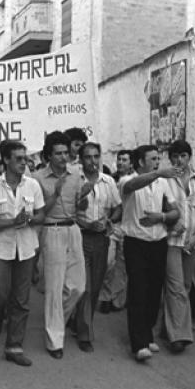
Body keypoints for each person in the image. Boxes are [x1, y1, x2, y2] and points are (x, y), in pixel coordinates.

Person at [0, 141, 45, 366]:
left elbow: (40, 215)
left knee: (21, 300)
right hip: (1, 249)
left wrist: (28, 219)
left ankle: (14, 346)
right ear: (6, 160)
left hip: (26, 248)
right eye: (18, 158)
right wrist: (12, 221)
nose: (23, 163)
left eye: (25, 158)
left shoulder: (33, 186)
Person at [33, 131, 92, 359]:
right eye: (58, 153)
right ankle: (54, 340)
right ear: (49, 155)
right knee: (55, 290)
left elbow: (80, 207)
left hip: (73, 229)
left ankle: (58, 322)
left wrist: (84, 200)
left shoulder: (76, 175)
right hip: (52, 229)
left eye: (66, 152)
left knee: (78, 287)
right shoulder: (37, 178)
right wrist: (54, 195)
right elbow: (35, 214)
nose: (63, 157)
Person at [121, 145, 179, 362]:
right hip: (136, 242)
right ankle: (139, 344)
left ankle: (148, 333)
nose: (157, 162)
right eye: (153, 159)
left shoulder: (163, 183)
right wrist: (156, 174)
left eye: (158, 159)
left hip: (158, 242)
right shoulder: (126, 180)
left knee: (155, 290)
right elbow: (133, 185)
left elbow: (175, 211)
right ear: (140, 162)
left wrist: (161, 217)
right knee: (138, 291)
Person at [162, 140, 195, 354]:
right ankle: (179, 336)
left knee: (185, 285)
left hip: (191, 241)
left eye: (183, 155)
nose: (179, 160)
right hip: (171, 240)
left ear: (189, 157)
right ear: (170, 158)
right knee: (175, 287)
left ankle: (168, 325)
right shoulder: (164, 179)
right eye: (175, 156)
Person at [73, 142, 122, 352]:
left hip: (101, 238)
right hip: (80, 237)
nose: (92, 161)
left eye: (95, 157)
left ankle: (79, 320)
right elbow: (67, 212)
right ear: (81, 159)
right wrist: (85, 223)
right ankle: (85, 334)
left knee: (95, 285)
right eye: (88, 157)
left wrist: (109, 220)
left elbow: (118, 208)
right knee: (84, 286)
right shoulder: (75, 180)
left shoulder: (108, 181)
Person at [99, 149, 136, 313]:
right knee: (108, 263)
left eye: (125, 160)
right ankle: (105, 296)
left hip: (130, 227)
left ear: (132, 163)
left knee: (123, 265)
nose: (121, 162)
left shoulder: (136, 181)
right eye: (119, 159)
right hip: (113, 225)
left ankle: (117, 299)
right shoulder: (109, 180)